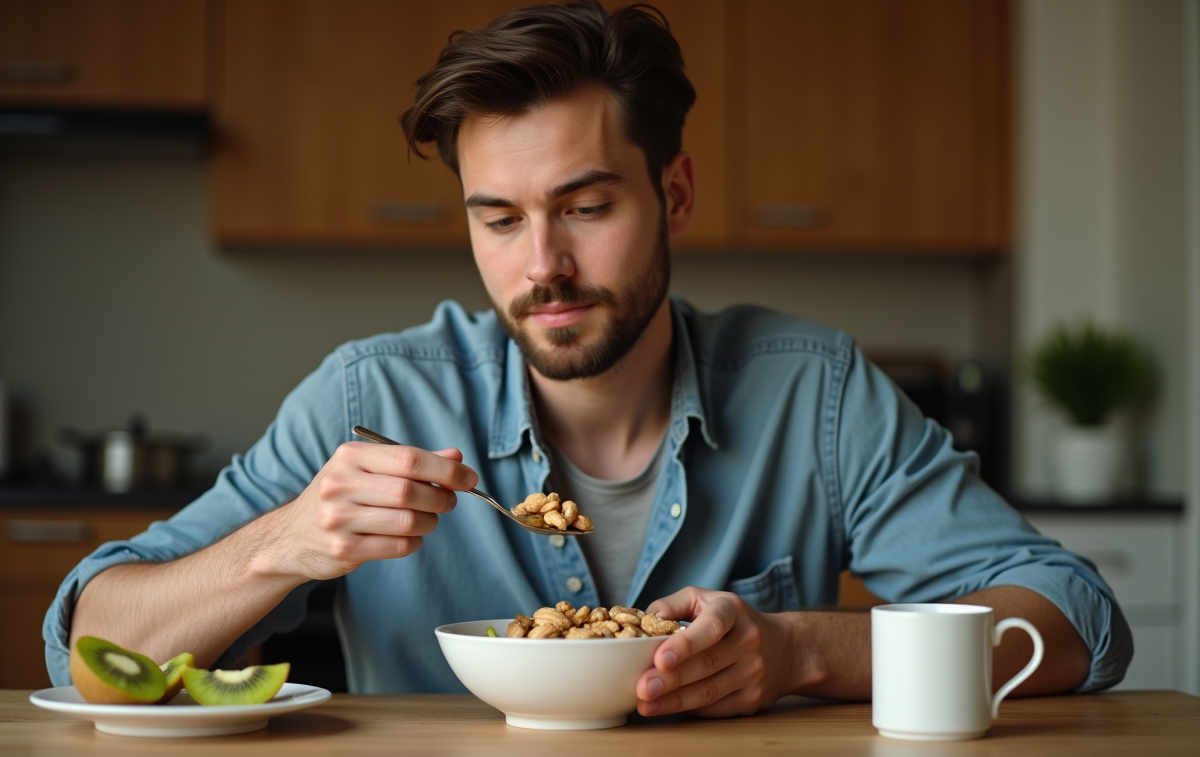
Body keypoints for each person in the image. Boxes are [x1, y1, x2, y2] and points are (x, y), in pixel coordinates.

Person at [47, 1, 1130, 717]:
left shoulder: (816, 392)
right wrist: (281, 544)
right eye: (500, 219)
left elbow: (1074, 617)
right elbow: (88, 644)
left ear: (675, 195)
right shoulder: (372, 397)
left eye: (587, 206)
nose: (545, 265)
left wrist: (799, 649)